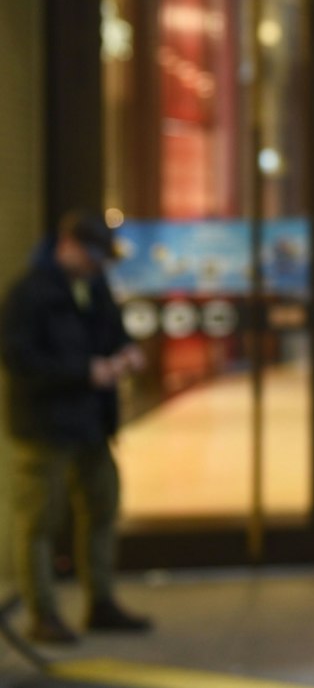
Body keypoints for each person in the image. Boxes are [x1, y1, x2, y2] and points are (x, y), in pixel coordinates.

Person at [1, 211, 153, 644]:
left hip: (90, 423)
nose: (96, 265)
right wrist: (84, 372)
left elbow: (112, 333)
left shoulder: (94, 286)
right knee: (39, 520)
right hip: (43, 426)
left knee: (102, 505)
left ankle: (100, 601)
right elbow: (20, 361)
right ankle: (42, 613)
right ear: (67, 245)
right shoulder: (29, 293)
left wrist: (125, 354)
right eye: (91, 255)